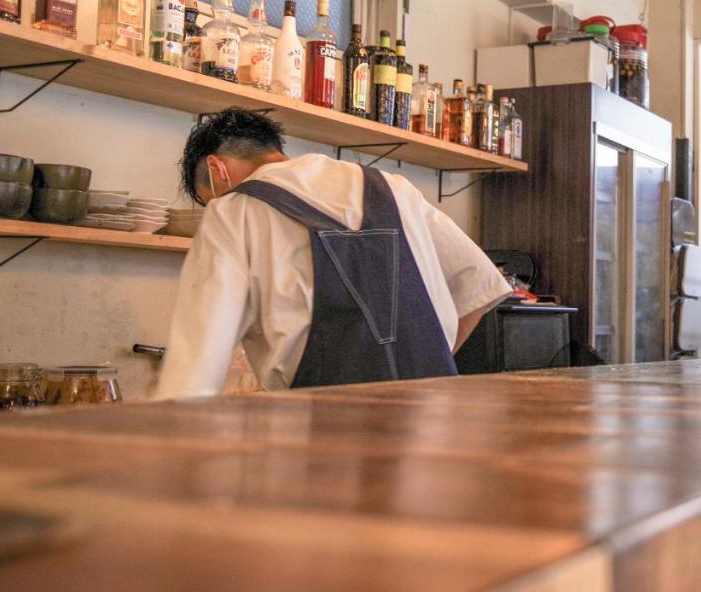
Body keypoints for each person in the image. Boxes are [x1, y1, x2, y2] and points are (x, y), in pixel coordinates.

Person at [155, 109, 510, 398]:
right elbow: (479, 281)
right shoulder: (394, 187)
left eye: (209, 198)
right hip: (433, 430)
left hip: (319, 444)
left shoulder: (233, 211)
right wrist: (422, 366)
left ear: (218, 170)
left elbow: (193, 375)